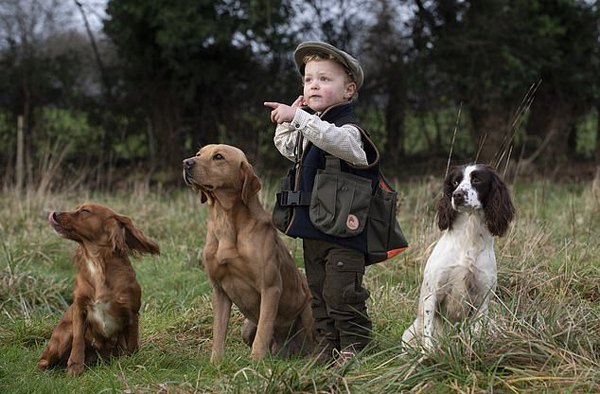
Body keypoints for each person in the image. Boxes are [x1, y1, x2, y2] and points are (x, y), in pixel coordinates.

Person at [264, 41, 381, 366]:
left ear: (349, 90)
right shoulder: (312, 129)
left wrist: (300, 117)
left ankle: (354, 345)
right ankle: (328, 345)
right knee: (317, 292)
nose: (314, 84)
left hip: (346, 234)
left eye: (325, 79)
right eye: (308, 79)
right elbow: (289, 147)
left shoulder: (349, 131)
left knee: (342, 292)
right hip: (315, 229)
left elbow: (339, 143)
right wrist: (288, 121)